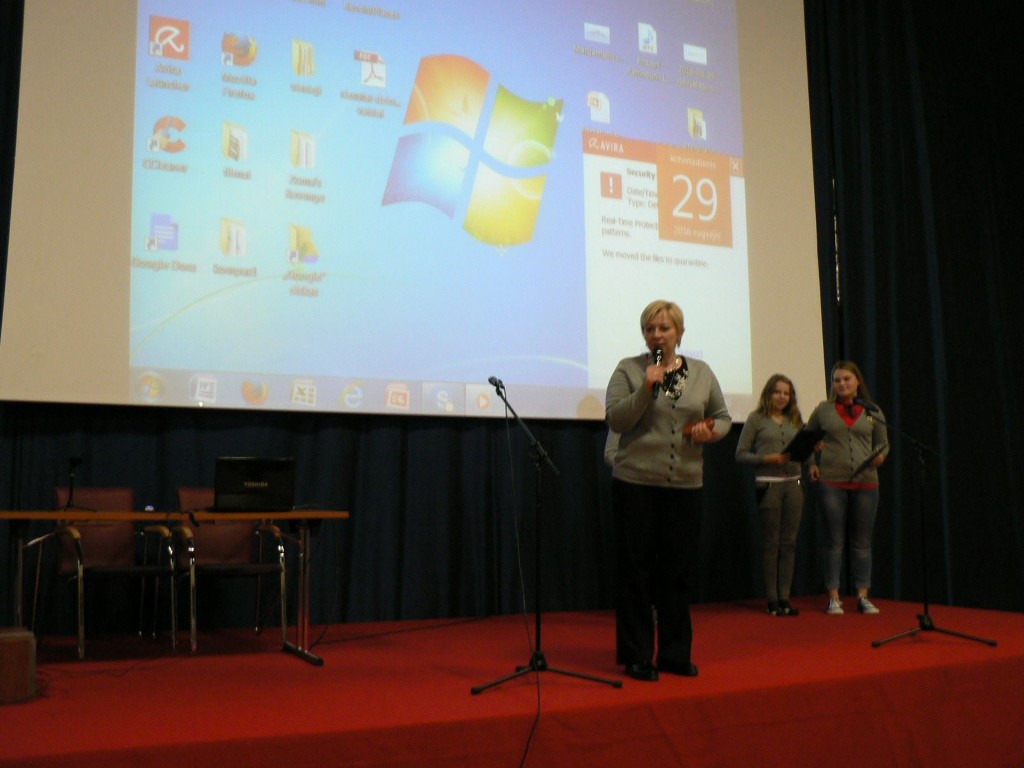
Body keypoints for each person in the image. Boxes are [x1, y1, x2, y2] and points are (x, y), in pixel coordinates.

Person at [605, 300, 731, 681]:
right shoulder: (628, 369)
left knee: (677, 573)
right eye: (650, 329)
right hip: (636, 484)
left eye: (665, 328)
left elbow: (723, 417)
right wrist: (647, 387)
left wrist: (711, 432)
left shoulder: (702, 373)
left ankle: (675, 655)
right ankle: (637, 654)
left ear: (680, 332)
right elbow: (616, 419)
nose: (657, 335)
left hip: (685, 485)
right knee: (636, 572)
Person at [806, 360, 888, 615]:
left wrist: (881, 456)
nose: (841, 384)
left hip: (866, 482)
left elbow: (883, 443)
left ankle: (863, 595)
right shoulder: (823, 410)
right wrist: (812, 463)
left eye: (846, 379)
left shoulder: (872, 411)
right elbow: (807, 439)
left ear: (857, 382)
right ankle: (834, 596)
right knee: (835, 541)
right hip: (832, 481)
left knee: (862, 542)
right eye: (837, 380)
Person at [735, 374, 805, 617]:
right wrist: (767, 458)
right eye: (777, 392)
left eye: (786, 393)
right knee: (771, 543)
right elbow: (740, 454)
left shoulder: (795, 419)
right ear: (768, 393)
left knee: (789, 543)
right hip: (769, 485)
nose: (782, 397)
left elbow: (803, 450)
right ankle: (772, 599)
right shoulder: (756, 419)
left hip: (794, 484)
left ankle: (785, 597)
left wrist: (813, 456)